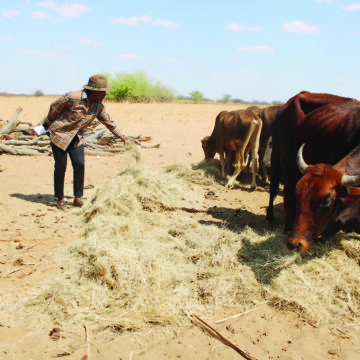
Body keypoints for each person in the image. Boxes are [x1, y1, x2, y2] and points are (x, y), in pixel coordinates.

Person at [42, 74, 128, 209]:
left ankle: (77, 198)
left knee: (79, 164)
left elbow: (108, 122)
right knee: (61, 166)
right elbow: (54, 107)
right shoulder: (72, 97)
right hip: (59, 135)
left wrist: (123, 137)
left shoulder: (98, 106)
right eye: (103, 91)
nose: (105, 94)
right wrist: (47, 123)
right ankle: (60, 199)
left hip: (77, 137)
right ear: (94, 91)